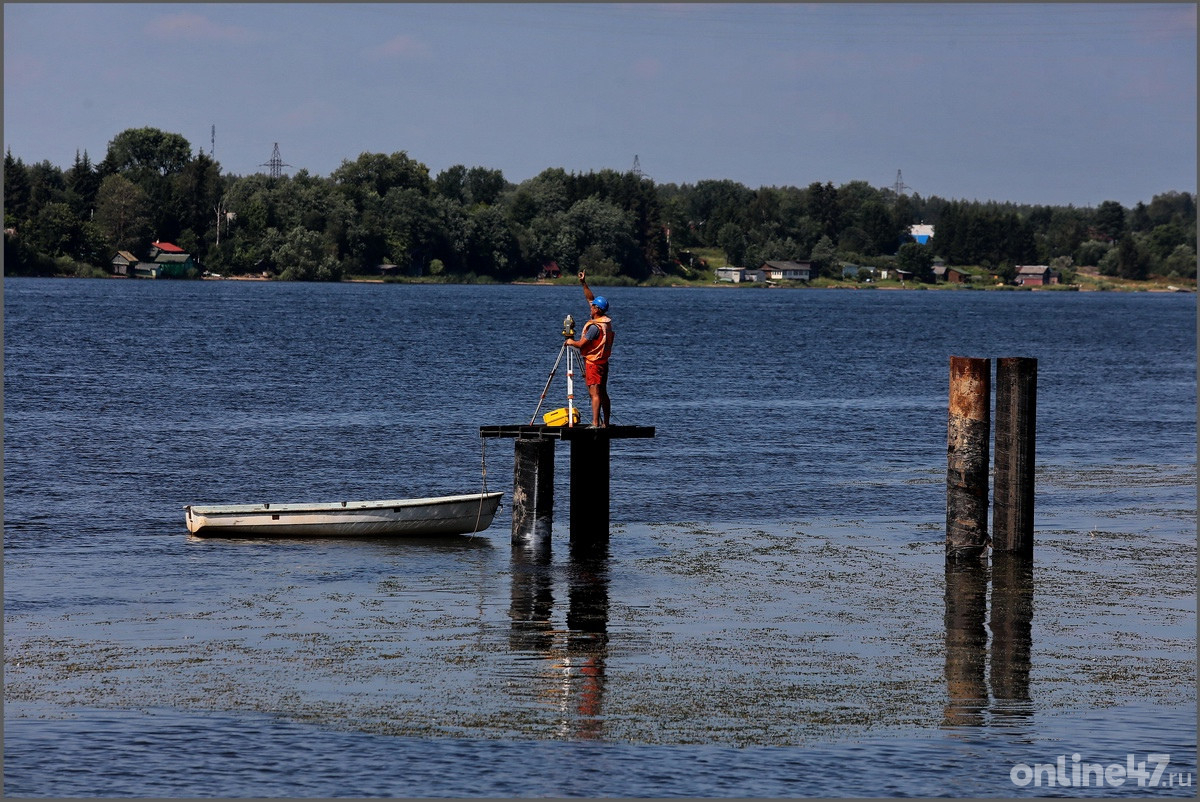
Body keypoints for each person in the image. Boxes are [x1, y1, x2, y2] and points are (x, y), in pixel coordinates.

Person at [563, 270, 614, 427]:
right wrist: (583, 282)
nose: (590, 307)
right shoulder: (605, 322)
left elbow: (581, 345)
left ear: (597, 309)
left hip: (593, 362)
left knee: (594, 393)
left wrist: (570, 342)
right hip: (603, 362)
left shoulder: (594, 327)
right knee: (603, 392)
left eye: (593, 307)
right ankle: (605, 422)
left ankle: (594, 423)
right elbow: (590, 298)